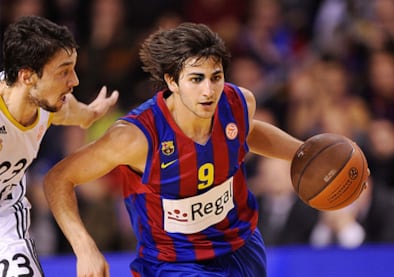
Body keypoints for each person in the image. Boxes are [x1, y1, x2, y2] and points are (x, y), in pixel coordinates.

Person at [43, 22, 304, 277]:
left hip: (241, 246)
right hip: (174, 263)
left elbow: (248, 131)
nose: (208, 91)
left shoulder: (239, 103)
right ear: (172, 81)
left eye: (216, 77)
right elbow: (58, 179)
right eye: (196, 79)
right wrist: (84, 247)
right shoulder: (135, 136)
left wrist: (304, 153)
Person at [0, 15, 118, 277]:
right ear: (27, 76)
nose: (74, 80)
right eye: (64, 71)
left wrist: (93, 112)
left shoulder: (48, 104)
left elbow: (79, 114)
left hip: (4, 213)